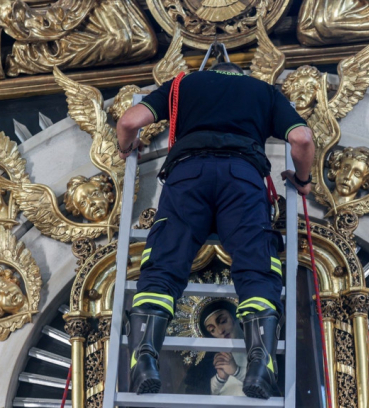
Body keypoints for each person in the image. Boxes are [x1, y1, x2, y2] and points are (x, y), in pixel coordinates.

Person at [116, 62, 314, 399]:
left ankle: (144, 359)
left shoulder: (184, 85)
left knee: (163, 265)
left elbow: (128, 121)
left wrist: (126, 148)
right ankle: (260, 365)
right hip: (242, 178)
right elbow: (302, 138)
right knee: (257, 268)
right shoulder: (264, 92)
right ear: (239, 72)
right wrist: (303, 180)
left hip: (187, 177)